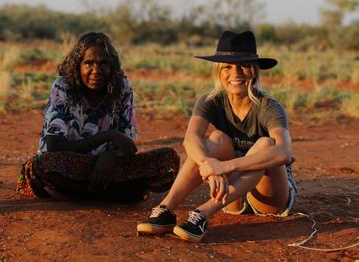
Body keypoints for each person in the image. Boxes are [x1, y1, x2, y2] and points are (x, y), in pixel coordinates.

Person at [136, 30, 296, 243]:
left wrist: (225, 167)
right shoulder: (210, 100)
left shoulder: (269, 106)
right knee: (217, 138)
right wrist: (209, 164)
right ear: (219, 71)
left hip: (269, 197)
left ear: (255, 72)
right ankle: (166, 209)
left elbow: (284, 152)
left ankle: (201, 214)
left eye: (244, 66)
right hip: (231, 196)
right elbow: (190, 138)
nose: (235, 73)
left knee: (266, 143)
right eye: (227, 67)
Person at [17, 32, 179, 203]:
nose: (96, 71)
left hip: (107, 168)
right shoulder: (63, 86)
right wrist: (108, 136)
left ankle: (77, 194)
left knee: (168, 160)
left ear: (112, 67)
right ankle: (111, 194)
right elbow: (54, 145)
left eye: (103, 64)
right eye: (88, 63)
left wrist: (110, 156)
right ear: (77, 65)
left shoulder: (122, 87)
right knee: (44, 164)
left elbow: (129, 148)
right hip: (69, 163)